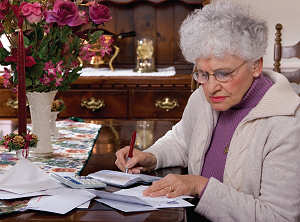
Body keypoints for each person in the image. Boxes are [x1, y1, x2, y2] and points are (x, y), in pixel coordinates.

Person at [115, 0, 300, 221]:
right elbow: (182, 140)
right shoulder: (202, 99)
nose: (211, 87)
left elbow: (279, 217)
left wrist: (199, 186)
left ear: (256, 66)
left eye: (223, 73)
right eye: (202, 73)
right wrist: (151, 156)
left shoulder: (287, 124)